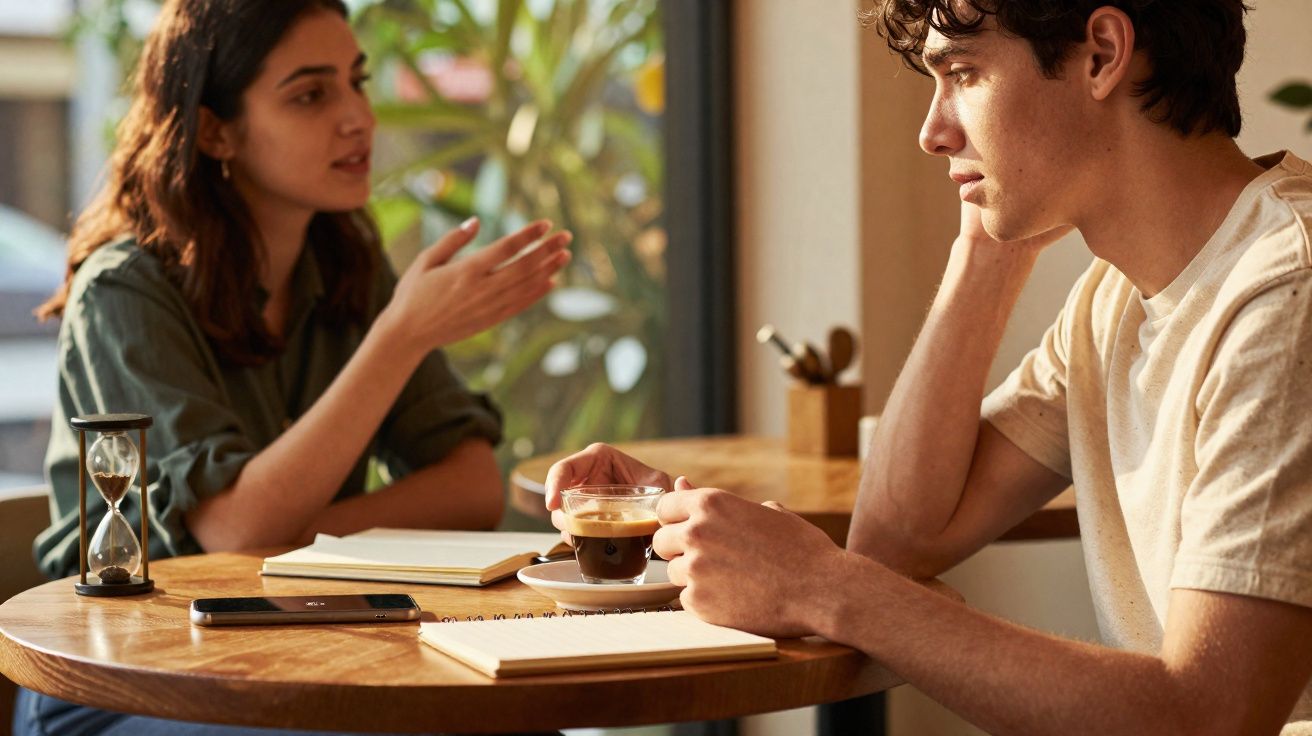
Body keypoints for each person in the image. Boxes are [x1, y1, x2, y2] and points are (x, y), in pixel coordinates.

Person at [546, 1, 1312, 733]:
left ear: (1102, 55)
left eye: (964, 74)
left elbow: (1208, 716)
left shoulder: (1286, 294)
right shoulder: (1112, 301)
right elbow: (901, 540)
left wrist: (819, 584)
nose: (932, 133)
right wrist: (986, 252)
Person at [17, 1, 569, 734]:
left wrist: (290, 538)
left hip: (301, 652)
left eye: (356, 82)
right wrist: (398, 338)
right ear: (215, 131)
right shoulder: (123, 293)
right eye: (311, 94)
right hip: (125, 680)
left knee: (518, 718)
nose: (359, 118)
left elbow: (469, 486)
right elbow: (236, 526)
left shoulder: (346, 269)